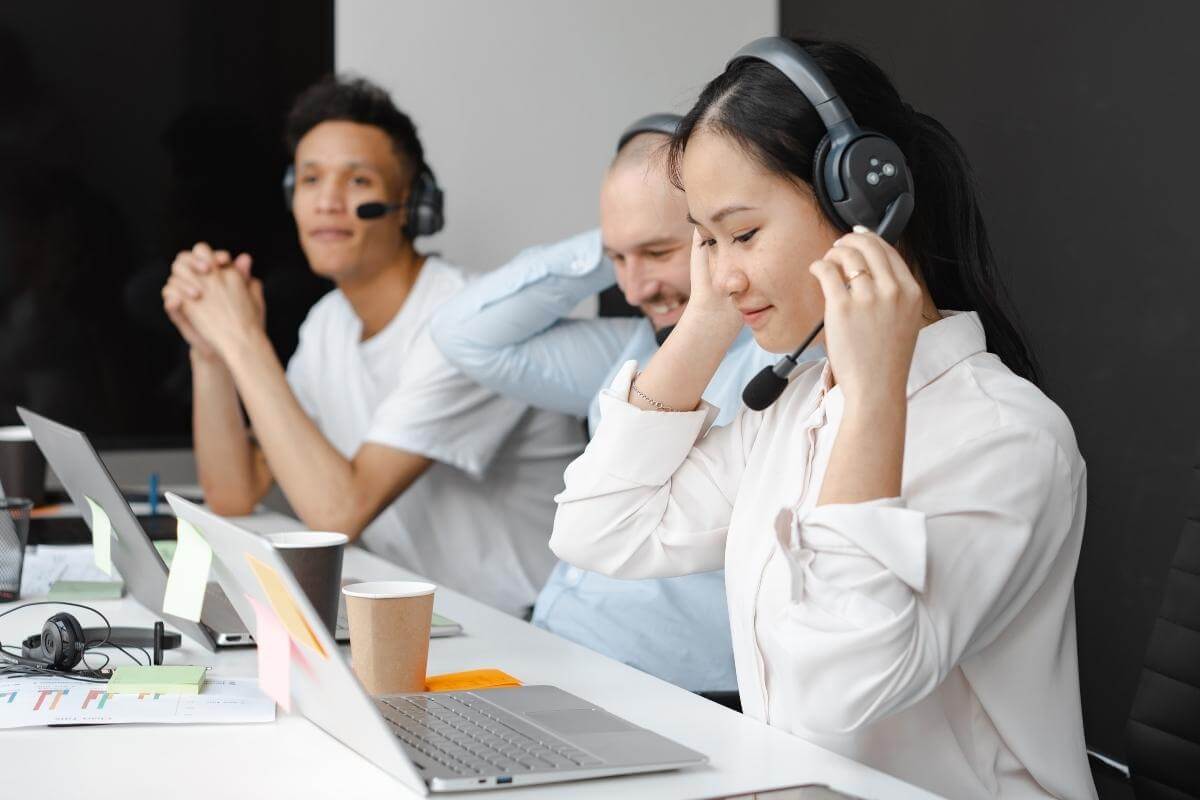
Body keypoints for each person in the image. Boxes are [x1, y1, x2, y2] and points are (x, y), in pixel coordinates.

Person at [549, 38, 1095, 799]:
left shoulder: (1007, 436)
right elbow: (596, 528)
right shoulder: (800, 406)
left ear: (860, 206)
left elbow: (840, 692)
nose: (722, 268)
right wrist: (710, 316)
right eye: (705, 239)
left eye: (743, 233)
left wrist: (873, 400)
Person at [161, 76, 584, 617]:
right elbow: (234, 494)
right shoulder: (328, 323)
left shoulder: (472, 322)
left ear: (410, 205)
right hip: (416, 623)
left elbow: (339, 512)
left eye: (357, 181)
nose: (328, 202)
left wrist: (244, 338)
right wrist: (212, 352)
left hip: (525, 632)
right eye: (310, 180)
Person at [429, 116, 792, 697]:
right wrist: (618, 234)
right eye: (618, 261)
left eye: (658, 251)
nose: (633, 289)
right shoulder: (625, 347)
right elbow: (463, 334)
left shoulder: (786, 358)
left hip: (678, 692)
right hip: (551, 656)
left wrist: (709, 233)